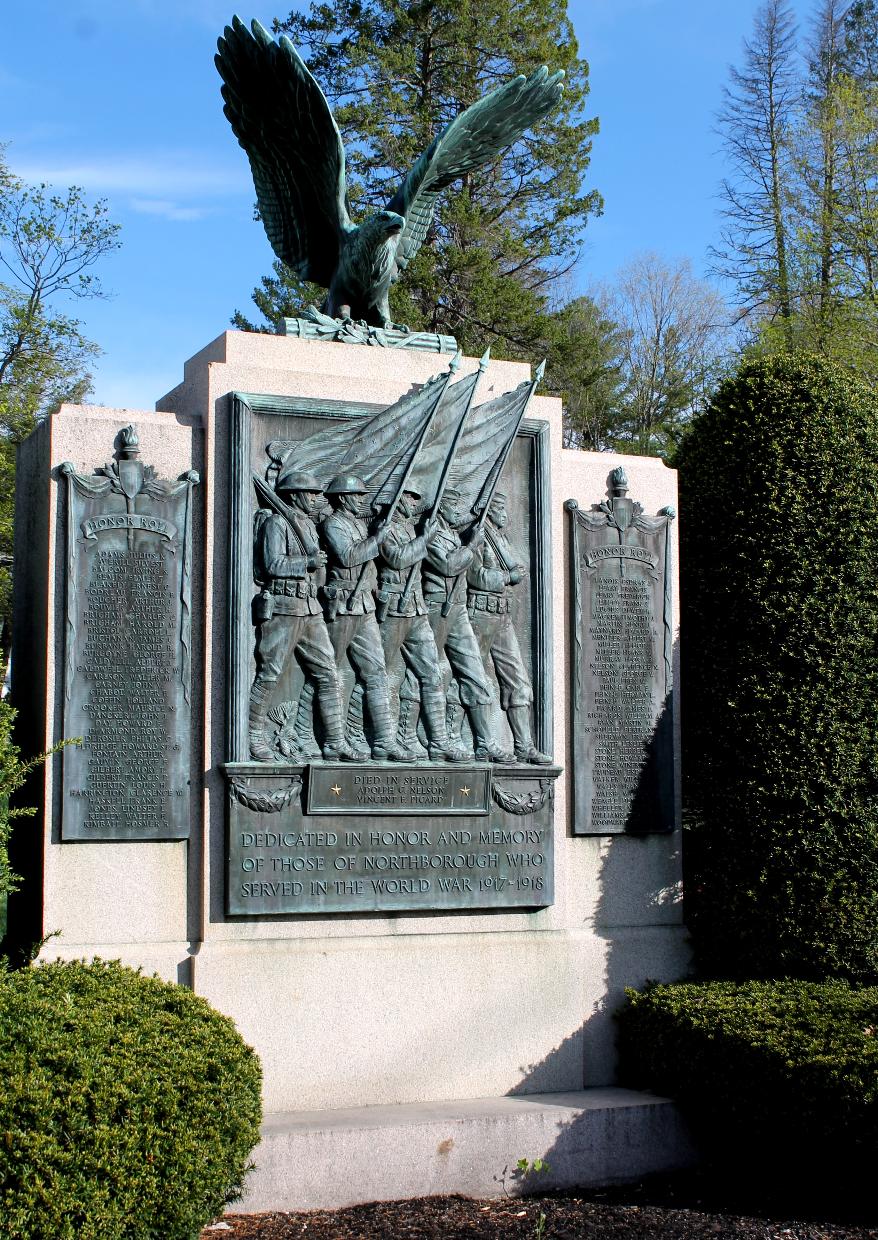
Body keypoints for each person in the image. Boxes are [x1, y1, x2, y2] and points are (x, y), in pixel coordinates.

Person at [248, 465, 355, 763]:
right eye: (310, 493)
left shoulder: (306, 524)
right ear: (294, 496)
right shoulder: (277, 524)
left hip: (310, 608)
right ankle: (255, 735)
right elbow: (272, 564)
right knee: (270, 672)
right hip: (284, 607)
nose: (316, 498)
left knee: (329, 673)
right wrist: (306, 561)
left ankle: (334, 741)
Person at [321, 473, 407, 760]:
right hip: (344, 604)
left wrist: (380, 535)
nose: (361, 500)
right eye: (357, 495)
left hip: (365, 605)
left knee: (377, 673)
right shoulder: (333, 523)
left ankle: (384, 741)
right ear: (344, 498)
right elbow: (346, 557)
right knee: (327, 671)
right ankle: (323, 738)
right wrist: (376, 539)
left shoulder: (359, 524)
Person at [376, 488, 466, 761]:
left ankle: (438, 742)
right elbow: (397, 559)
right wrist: (425, 539)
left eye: (417, 497)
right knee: (379, 675)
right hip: (393, 607)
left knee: (433, 674)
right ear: (397, 499)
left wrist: (425, 536)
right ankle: (381, 740)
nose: (415, 502)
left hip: (416, 608)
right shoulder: (385, 527)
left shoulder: (416, 528)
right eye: (409, 497)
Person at [423, 488, 511, 763]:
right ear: (441, 507)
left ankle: (484, 743)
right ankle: (433, 740)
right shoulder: (431, 533)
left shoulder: (451, 533)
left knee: (476, 673)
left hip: (458, 607)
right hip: (438, 606)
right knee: (430, 673)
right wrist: (471, 546)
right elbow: (449, 565)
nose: (459, 510)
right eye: (453, 504)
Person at [467, 493, 551, 765]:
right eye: (500, 508)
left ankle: (524, 746)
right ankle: (472, 743)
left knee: (518, 681)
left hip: (502, 616)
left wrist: (514, 573)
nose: (505, 513)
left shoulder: (500, 538)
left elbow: (517, 568)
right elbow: (473, 575)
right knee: (471, 679)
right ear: (488, 510)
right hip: (480, 613)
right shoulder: (476, 536)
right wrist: (506, 577)